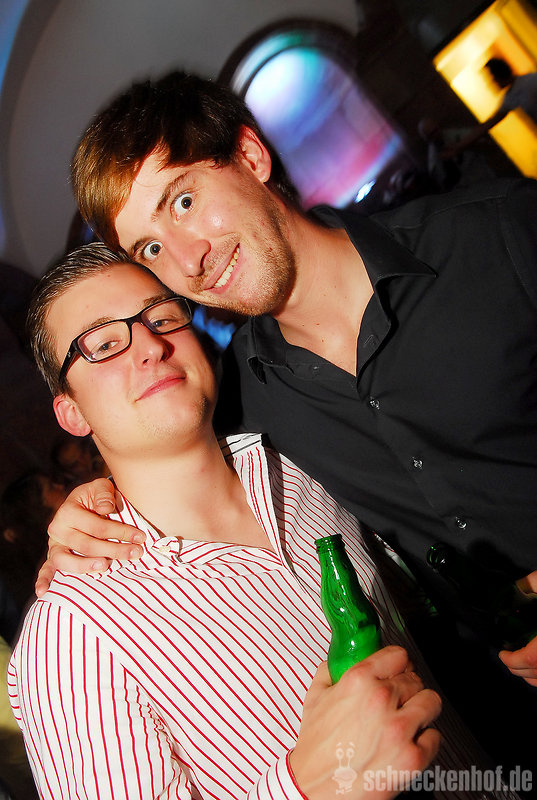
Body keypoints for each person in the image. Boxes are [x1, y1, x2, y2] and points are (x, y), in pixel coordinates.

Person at [40, 72, 537, 786]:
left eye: (184, 201)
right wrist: (90, 507)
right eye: (150, 248)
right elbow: (158, 448)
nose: (188, 261)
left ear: (250, 156)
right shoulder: (244, 406)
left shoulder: (500, 235)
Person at [7, 242, 482, 800]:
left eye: (161, 317)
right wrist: (306, 786)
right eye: (104, 345)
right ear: (72, 414)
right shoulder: (72, 637)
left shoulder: (302, 464)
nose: (151, 346)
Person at [444, 58, 537, 158]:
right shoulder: (510, 97)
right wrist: (458, 146)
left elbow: (487, 125)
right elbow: (487, 125)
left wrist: (458, 146)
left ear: (499, 76)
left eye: (492, 78)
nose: (492, 82)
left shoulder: (531, 81)